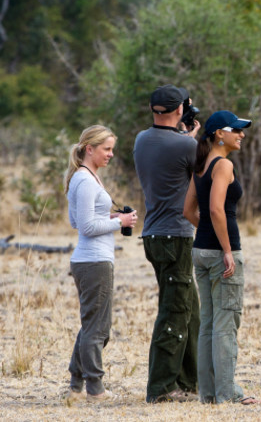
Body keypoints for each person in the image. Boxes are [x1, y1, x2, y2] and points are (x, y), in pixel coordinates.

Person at [183, 110, 260, 405]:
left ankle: (209, 393)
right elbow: (216, 210)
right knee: (225, 324)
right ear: (219, 134)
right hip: (220, 255)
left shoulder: (201, 165)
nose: (241, 135)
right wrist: (227, 250)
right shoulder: (223, 164)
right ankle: (227, 393)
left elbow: (188, 211)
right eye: (236, 130)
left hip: (200, 251)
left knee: (208, 324)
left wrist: (206, 235)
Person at [133, 84, 201, 403]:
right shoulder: (185, 145)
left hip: (154, 234)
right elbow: (200, 170)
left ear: (152, 109)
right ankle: (161, 387)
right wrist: (191, 138)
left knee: (190, 309)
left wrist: (185, 135)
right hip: (176, 235)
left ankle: (190, 381)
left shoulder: (141, 139)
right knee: (174, 312)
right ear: (180, 110)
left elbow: (169, 155)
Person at [64, 125, 138, 401]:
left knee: (92, 325)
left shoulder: (85, 177)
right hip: (94, 261)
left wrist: (112, 218)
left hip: (92, 259)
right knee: (98, 329)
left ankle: (76, 385)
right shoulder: (85, 180)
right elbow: (84, 226)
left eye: (111, 149)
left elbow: (78, 220)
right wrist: (119, 222)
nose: (110, 154)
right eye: (106, 149)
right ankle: (95, 388)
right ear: (89, 149)